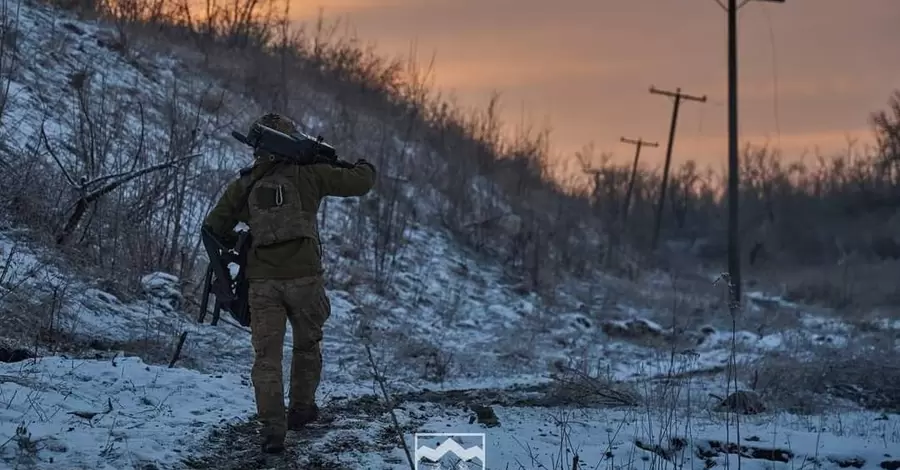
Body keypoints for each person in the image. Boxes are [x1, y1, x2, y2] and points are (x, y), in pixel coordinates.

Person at [202, 113, 376, 453]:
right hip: (305, 280)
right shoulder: (309, 175)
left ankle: (272, 431)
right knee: (307, 345)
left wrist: (238, 247)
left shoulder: (245, 184)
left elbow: (213, 228)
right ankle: (301, 411)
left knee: (266, 357)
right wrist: (363, 163)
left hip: (263, 284)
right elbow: (362, 181)